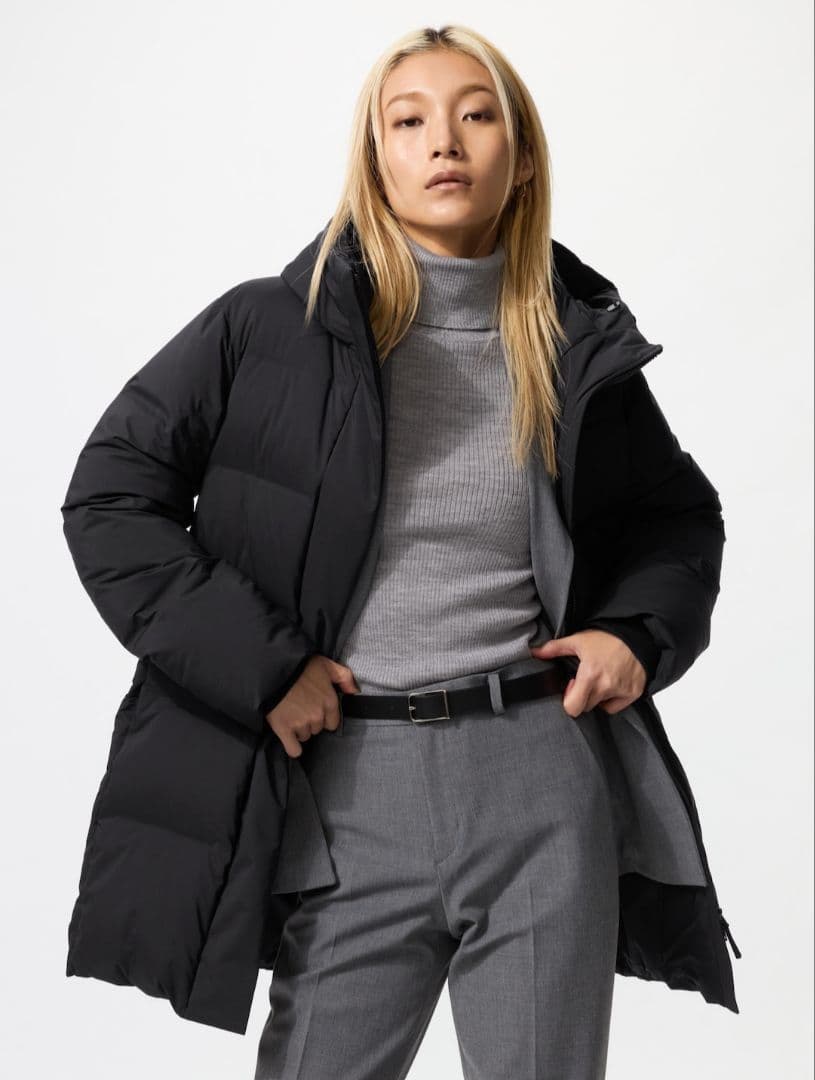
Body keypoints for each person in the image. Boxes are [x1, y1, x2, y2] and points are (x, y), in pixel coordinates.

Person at [61, 23, 740, 1080]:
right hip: (347, 785)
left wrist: (634, 635)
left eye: (476, 115)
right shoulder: (266, 328)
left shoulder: (571, 344)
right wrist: (266, 669)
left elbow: (676, 517)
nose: (444, 142)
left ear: (521, 158)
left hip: (538, 777)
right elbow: (111, 498)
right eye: (408, 120)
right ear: (374, 158)